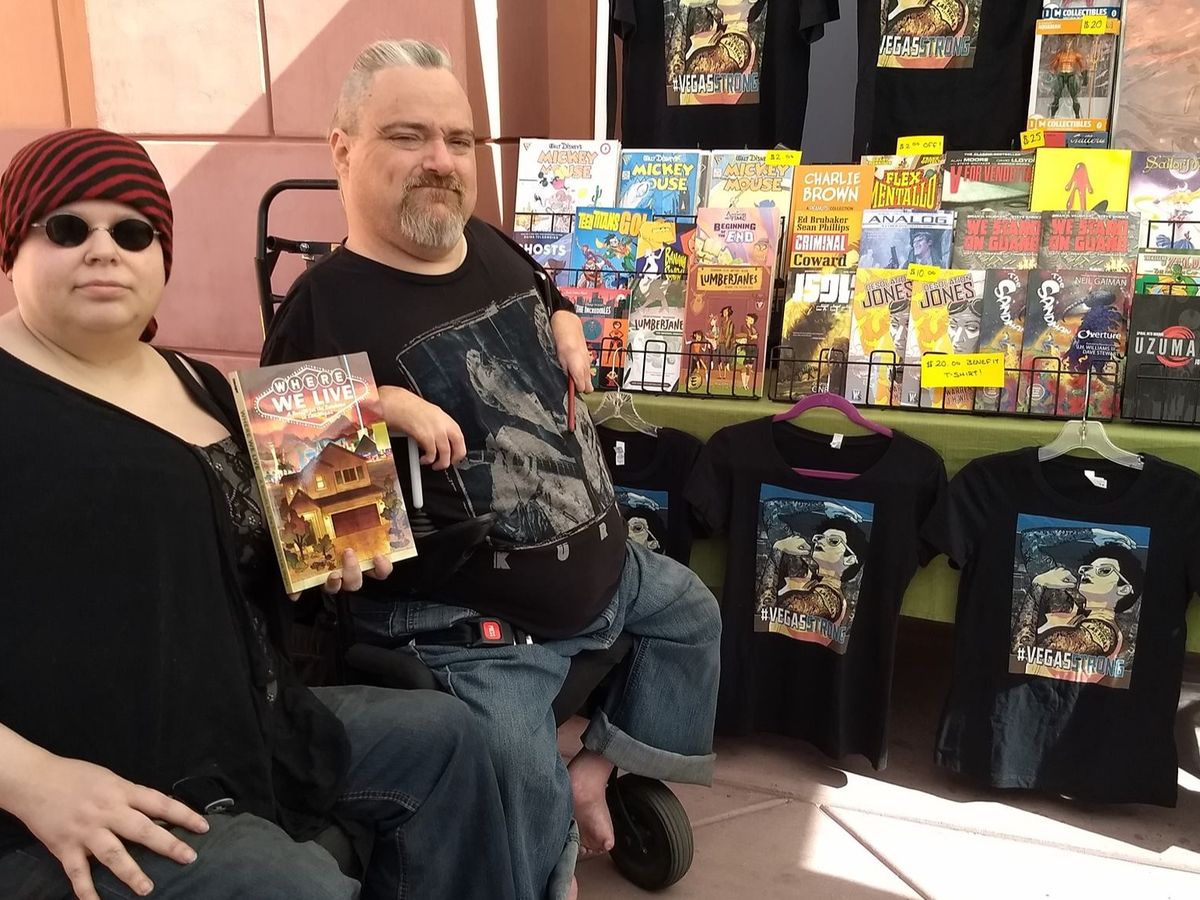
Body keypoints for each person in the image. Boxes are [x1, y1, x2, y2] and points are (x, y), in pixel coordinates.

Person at [0, 128, 516, 900]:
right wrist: (34, 781)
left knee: (451, 741)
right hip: (86, 789)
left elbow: (218, 557)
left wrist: (328, 551)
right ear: (14, 247)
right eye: (67, 228)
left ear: (161, 255)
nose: (103, 250)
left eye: (133, 232)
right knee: (293, 885)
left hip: (241, 724)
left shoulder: (196, 382)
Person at [261, 39, 721, 900]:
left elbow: (549, 298)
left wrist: (569, 325)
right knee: (513, 771)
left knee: (693, 615)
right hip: (467, 625)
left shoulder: (486, 241)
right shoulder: (321, 311)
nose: (441, 160)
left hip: (605, 571)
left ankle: (593, 773)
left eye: (459, 140)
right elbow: (326, 547)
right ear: (342, 150)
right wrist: (366, 409)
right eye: (408, 136)